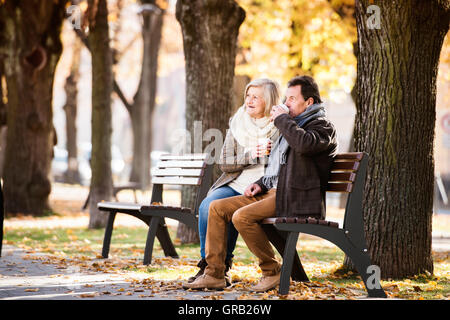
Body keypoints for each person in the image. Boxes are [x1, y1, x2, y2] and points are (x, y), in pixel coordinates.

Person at [183, 75, 338, 292]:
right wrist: (261, 183)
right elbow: (277, 167)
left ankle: (270, 271)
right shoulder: (294, 124)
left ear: (309, 102)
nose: (286, 103)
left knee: (241, 217)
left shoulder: (322, 126)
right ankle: (214, 273)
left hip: (293, 196)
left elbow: (304, 145)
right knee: (216, 208)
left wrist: (282, 120)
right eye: (287, 98)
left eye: (292, 99)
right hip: (273, 191)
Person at [187, 78, 281, 284]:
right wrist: (250, 155)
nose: (250, 100)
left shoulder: (280, 126)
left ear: (269, 100)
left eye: (256, 97)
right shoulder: (238, 123)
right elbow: (225, 164)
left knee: (225, 210)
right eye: (248, 95)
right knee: (207, 205)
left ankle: (224, 265)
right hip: (236, 184)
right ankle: (208, 266)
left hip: (263, 190)